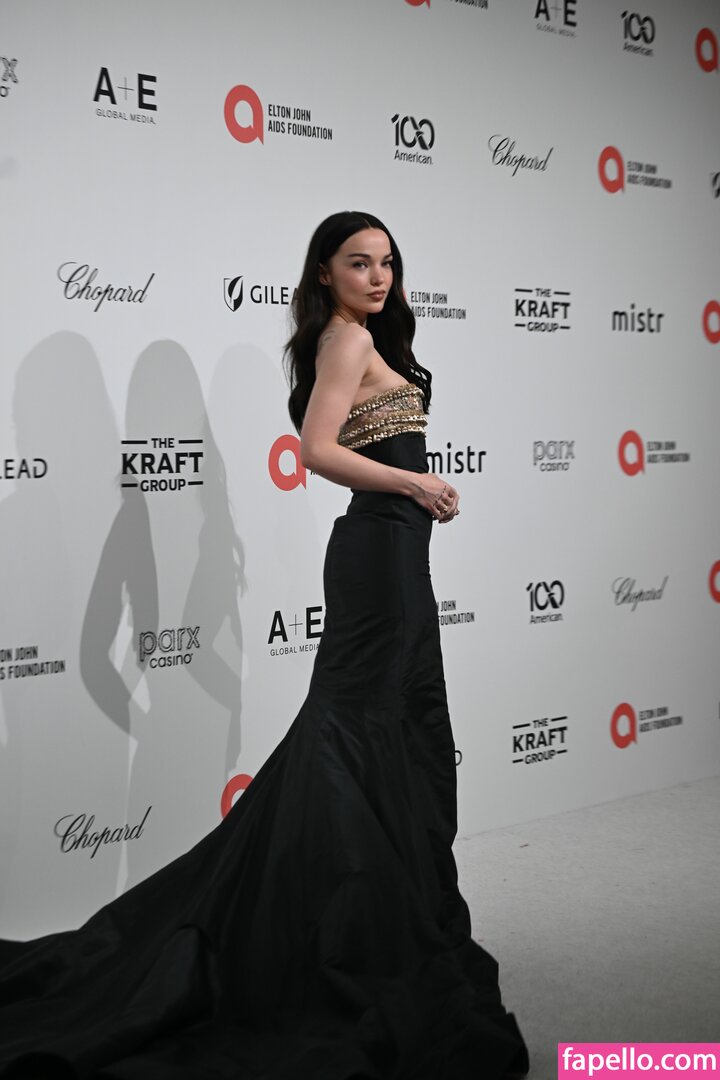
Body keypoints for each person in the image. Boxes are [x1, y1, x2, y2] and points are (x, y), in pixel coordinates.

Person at [0, 211, 529, 1079]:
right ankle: (341, 921)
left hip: (396, 557)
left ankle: (360, 909)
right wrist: (413, 482)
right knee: (354, 733)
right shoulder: (345, 341)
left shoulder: (360, 338)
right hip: (378, 553)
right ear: (324, 272)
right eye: (358, 262)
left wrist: (409, 493)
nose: (377, 276)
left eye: (387, 262)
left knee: (381, 732)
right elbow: (315, 450)